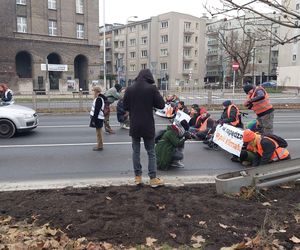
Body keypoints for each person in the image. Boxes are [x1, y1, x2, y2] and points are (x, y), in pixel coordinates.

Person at [123, 69, 165, 188]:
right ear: (149, 77)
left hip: (135, 125)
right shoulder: (151, 88)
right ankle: (152, 179)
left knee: (135, 151)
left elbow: (125, 105)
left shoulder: (130, 88)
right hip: (147, 125)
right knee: (151, 152)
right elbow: (161, 105)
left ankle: (138, 177)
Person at [89, 86, 106, 151]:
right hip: (99, 118)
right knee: (99, 133)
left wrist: (93, 119)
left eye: (93, 91)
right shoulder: (99, 98)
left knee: (99, 134)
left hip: (98, 118)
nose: (93, 93)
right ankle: (99, 145)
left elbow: (97, 110)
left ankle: (99, 146)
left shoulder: (99, 99)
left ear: (96, 91)